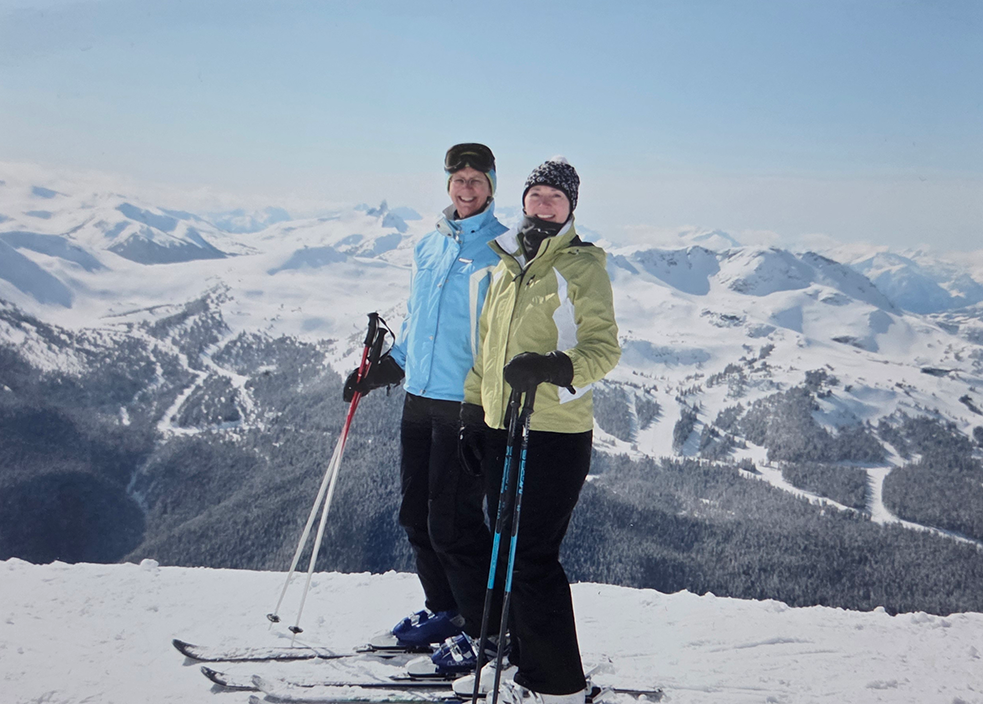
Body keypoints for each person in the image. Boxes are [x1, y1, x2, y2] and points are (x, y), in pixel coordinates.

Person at [455, 157, 620, 704]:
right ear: (523, 201)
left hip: (553, 433)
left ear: (571, 207)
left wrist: (554, 366)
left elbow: (603, 348)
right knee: (505, 548)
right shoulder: (506, 265)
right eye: (537, 194)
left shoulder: (581, 266)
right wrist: (474, 414)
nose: (545, 203)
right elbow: (486, 351)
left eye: (556, 196)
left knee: (531, 555)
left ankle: (560, 686)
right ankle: (523, 666)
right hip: (504, 426)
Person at [343, 144, 507, 657]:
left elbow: (501, 336)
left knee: (454, 524)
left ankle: (489, 632)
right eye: (458, 178)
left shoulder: (503, 252)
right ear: (448, 184)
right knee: (416, 516)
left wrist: (488, 405)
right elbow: (419, 329)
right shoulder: (427, 246)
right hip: (419, 398)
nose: (466, 187)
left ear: (491, 187)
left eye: (476, 180)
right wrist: (379, 373)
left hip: (466, 405)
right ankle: (448, 610)